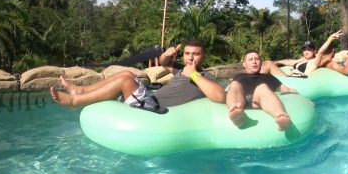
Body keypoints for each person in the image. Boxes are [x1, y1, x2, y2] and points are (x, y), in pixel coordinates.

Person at [50, 40, 226, 113]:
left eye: (196, 54)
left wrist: (194, 74)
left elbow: (220, 96)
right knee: (126, 73)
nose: (190, 58)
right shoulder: (182, 70)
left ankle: (75, 101)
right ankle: (80, 90)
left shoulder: (205, 76)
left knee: (126, 80)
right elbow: (164, 62)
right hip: (149, 98)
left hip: (153, 108)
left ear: (204, 56)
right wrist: (167, 53)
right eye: (187, 53)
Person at [227, 50, 298, 131]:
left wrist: (301, 97)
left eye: (257, 59)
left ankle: (280, 117)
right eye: (250, 60)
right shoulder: (238, 76)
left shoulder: (268, 77)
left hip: (258, 100)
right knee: (235, 84)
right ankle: (236, 112)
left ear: (261, 62)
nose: (254, 62)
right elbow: (230, 90)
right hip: (241, 98)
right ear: (244, 64)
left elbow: (286, 89)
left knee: (262, 87)